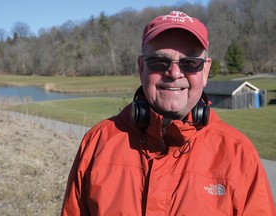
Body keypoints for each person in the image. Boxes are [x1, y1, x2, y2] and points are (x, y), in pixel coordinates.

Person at [61, 11, 275, 215]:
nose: (173, 73)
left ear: (206, 71)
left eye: (190, 63)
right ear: (141, 67)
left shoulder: (239, 154)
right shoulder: (97, 143)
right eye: (159, 61)